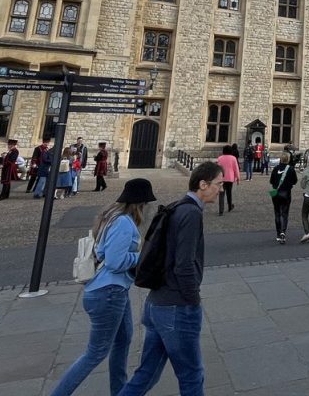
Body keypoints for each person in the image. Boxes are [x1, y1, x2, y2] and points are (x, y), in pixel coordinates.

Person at [119, 163, 222, 396]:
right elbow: (184, 263)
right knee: (192, 375)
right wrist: (192, 299)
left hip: (157, 303)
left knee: (146, 374)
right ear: (203, 184)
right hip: (177, 307)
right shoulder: (191, 213)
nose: (221, 189)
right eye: (219, 184)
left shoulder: (176, 207)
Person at [50, 178, 156, 396]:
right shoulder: (124, 222)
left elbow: (104, 252)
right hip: (109, 292)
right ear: (140, 204)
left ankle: (119, 390)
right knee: (96, 352)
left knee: (123, 339)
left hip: (112, 290)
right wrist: (142, 256)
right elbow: (116, 262)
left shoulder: (110, 217)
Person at [269, 151, 298, 244]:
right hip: (286, 193)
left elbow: (271, 181)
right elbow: (295, 181)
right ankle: (283, 232)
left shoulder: (276, 168)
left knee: (277, 213)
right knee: (284, 213)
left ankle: (278, 234)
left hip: (276, 193)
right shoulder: (291, 169)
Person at [216, 145, 240, 215]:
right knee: (229, 193)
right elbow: (236, 169)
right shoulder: (233, 158)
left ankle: (221, 210)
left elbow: (218, 169)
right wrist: (238, 178)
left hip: (221, 178)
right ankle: (229, 206)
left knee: (221, 194)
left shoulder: (220, 158)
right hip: (230, 178)